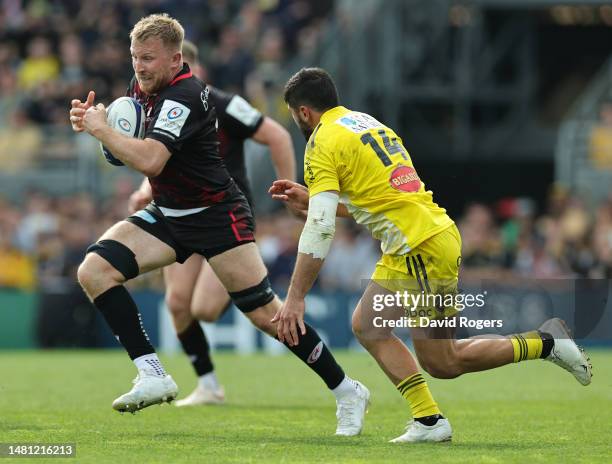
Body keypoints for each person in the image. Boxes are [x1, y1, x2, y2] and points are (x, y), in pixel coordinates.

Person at [69, 16, 370, 437]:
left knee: (267, 314)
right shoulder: (140, 88)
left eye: (149, 58)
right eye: (135, 57)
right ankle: (153, 373)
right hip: (170, 212)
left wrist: (102, 130)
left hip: (216, 216)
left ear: (176, 59)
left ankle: (347, 390)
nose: (139, 66)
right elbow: (126, 155)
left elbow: (153, 159)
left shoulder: (187, 94)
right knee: (95, 270)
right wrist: (99, 130)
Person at [270, 67, 593, 443]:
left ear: (303, 112)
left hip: (419, 246)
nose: (297, 123)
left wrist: (294, 298)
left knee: (444, 361)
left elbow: (320, 229)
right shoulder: (365, 123)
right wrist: (313, 201)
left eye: (294, 116)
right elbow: (376, 202)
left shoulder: (321, 141)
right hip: (417, 240)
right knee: (368, 325)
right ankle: (428, 421)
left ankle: (546, 342)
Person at [128, 39, 296, 406]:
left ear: (190, 68)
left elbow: (278, 135)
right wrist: (144, 188)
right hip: (180, 214)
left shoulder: (221, 103)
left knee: (204, 308)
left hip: (223, 217)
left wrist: (288, 192)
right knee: (176, 303)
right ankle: (208, 385)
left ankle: (283, 309)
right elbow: (159, 156)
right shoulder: (152, 104)